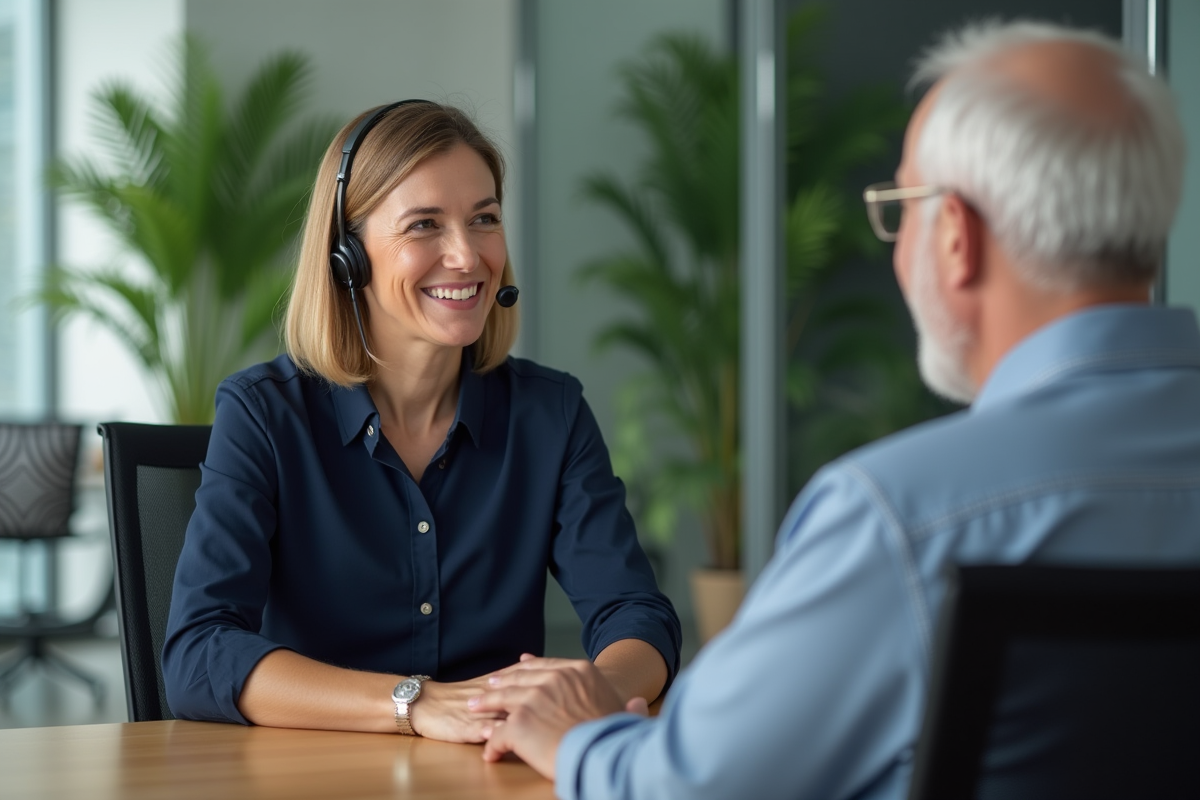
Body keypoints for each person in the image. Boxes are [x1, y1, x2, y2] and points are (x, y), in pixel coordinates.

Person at [469, 20, 1200, 799]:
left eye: (903, 207)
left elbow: (690, 788)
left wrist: (580, 737)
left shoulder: (898, 520)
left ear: (956, 237)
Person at [162, 101, 680, 742]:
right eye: (424, 225)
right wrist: (415, 703)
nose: (466, 256)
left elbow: (635, 613)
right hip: (314, 772)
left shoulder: (552, 413)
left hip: (490, 767)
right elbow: (199, 652)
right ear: (348, 256)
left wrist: (593, 694)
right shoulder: (263, 414)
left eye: (484, 218)